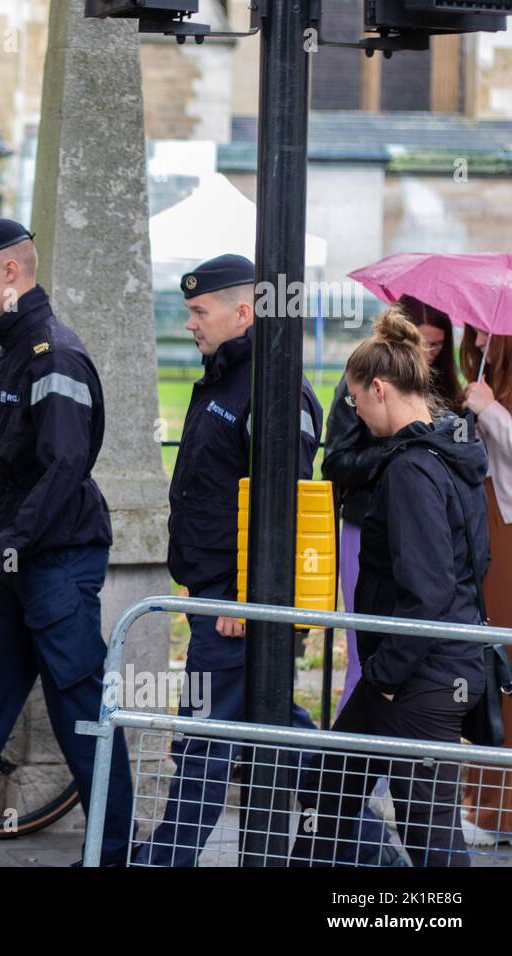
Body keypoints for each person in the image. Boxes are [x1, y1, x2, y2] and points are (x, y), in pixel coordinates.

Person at [0, 218, 134, 866]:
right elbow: (21, 481)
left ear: (10, 273)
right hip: (28, 562)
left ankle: (114, 856)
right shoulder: (17, 349)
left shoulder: (52, 352)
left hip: (57, 563)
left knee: (80, 715)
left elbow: (61, 473)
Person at [137, 254, 335, 866]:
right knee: (274, 725)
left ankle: (163, 862)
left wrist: (250, 598)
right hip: (218, 596)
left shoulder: (275, 389)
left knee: (202, 740)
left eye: (200, 312)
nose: (190, 322)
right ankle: (366, 839)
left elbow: (285, 509)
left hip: (237, 600)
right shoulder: (226, 376)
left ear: (242, 312)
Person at [292, 310, 488, 867]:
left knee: (432, 842)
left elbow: (428, 590)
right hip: (426, 669)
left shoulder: (410, 468)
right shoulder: (458, 452)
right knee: (327, 797)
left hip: (415, 677)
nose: (355, 412)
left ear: (379, 389)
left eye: (356, 400)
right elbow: (478, 559)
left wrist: (383, 678)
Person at [323, 295, 465, 715]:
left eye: (437, 344)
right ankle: (363, 761)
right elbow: (335, 461)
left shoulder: (443, 394)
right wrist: (399, 452)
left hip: (419, 525)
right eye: (422, 342)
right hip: (367, 523)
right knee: (367, 650)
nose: (427, 353)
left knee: (407, 650)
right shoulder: (360, 387)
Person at [459, 326, 512, 845]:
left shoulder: (494, 391)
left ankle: (499, 812)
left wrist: (492, 412)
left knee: (505, 668)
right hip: (486, 530)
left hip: (507, 532)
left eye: (487, 329)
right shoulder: (482, 379)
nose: (475, 336)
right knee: (487, 668)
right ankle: (483, 802)